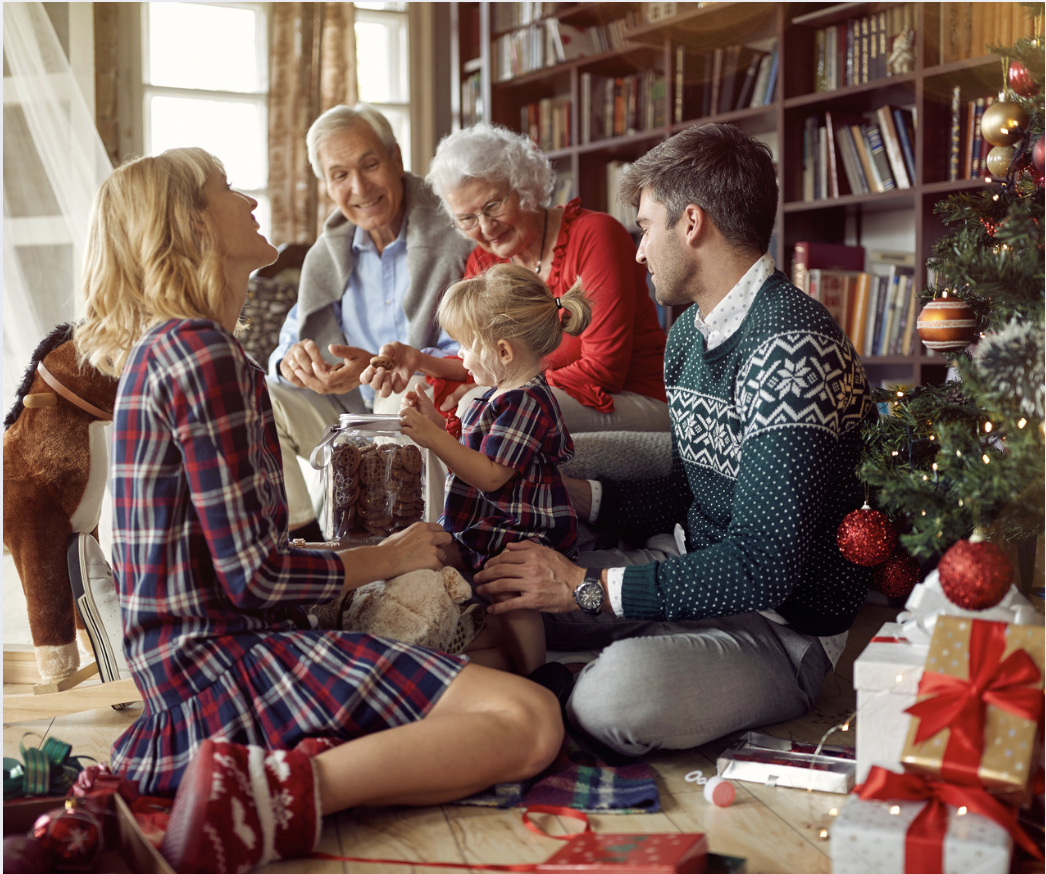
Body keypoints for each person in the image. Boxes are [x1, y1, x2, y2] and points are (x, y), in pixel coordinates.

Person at [73, 148, 562, 874]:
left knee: (480, 675)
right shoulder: (203, 352)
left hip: (187, 668)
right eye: (228, 191)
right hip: (216, 673)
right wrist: (393, 556)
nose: (251, 203)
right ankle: (266, 796)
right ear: (193, 227)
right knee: (527, 717)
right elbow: (256, 578)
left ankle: (278, 772)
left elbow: (240, 566)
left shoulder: (172, 346)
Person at [471, 123, 877, 757]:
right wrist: (581, 496)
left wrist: (583, 586)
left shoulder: (792, 346)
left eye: (644, 227)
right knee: (505, 598)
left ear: (691, 224)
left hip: (780, 630)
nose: (637, 252)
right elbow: (688, 489)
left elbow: (764, 568)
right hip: (685, 563)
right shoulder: (689, 333)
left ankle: (579, 683)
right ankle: (579, 671)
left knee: (613, 699)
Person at [360, 123, 669, 435]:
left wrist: (492, 393)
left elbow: (602, 371)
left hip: (629, 398)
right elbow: (483, 359)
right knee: (408, 397)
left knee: (477, 408)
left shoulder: (595, 235)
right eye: (467, 218)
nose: (486, 227)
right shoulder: (483, 261)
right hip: (544, 391)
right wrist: (418, 360)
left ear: (524, 186)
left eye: (493, 205)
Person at [266, 104, 474, 541]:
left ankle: (417, 549)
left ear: (397, 159)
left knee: (400, 400)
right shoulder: (329, 252)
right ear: (326, 184)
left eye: (370, 164)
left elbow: (477, 346)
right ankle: (307, 541)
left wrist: (390, 367)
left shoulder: (454, 233)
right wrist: (291, 362)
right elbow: (291, 338)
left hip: (420, 399)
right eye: (340, 175)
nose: (359, 187)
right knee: (258, 395)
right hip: (344, 412)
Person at [399, 264, 592, 678]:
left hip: (519, 530)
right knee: (430, 551)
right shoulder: (497, 395)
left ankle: (536, 675)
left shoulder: (527, 401)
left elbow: (490, 475)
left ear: (503, 352)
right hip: (487, 522)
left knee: (511, 591)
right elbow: (472, 450)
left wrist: (436, 440)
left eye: (465, 345)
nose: (461, 357)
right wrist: (435, 424)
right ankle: (476, 645)